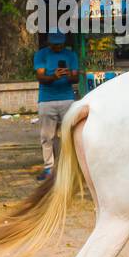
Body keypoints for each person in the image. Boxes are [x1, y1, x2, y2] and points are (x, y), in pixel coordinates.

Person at [34, 28, 79, 181]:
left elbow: (76, 79)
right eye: (55, 45)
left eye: (60, 45)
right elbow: (40, 77)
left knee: (67, 135)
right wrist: (54, 76)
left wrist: (69, 75)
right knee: (47, 136)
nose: (58, 48)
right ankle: (48, 168)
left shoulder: (70, 55)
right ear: (49, 43)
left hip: (67, 98)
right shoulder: (41, 55)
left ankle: (66, 167)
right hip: (46, 100)